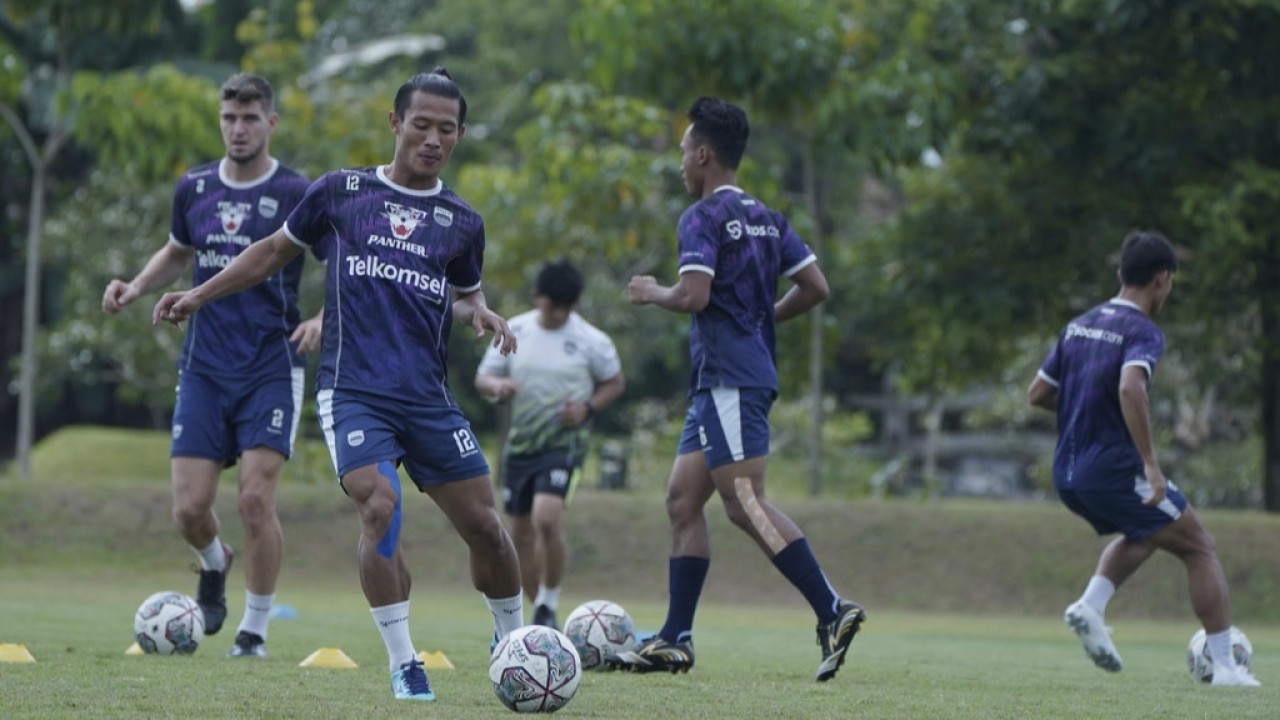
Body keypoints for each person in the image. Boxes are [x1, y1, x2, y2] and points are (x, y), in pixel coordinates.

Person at [152, 67, 524, 703]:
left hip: (427, 398)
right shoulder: (340, 193)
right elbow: (271, 252)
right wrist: (199, 294)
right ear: (395, 123)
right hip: (353, 391)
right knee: (378, 505)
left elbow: (463, 296)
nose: (432, 139)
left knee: (487, 528)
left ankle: (513, 644)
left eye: (446, 130)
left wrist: (480, 312)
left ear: (459, 135)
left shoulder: (463, 221)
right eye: (421, 124)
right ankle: (405, 662)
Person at [606, 96, 865, 682]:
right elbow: (816, 286)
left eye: (681, 153)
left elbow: (694, 296)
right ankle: (675, 638)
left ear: (703, 154)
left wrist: (651, 293)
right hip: (731, 378)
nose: (679, 164)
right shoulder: (769, 217)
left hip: (728, 377)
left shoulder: (700, 217)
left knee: (744, 501)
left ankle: (833, 608)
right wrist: (762, 319)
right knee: (681, 499)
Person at [102, 73, 323, 659]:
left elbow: (347, 259)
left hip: (271, 366)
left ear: (270, 122)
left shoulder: (298, 191)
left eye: (250, 118)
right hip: (204, 366)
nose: (239, 129)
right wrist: (138, 285)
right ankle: (213, 561)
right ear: (220, 120)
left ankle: (253, 632)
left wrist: (327, 317)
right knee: (190, 508)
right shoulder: (194, 186)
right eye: (229, 118)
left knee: (254, 501)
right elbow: (178, 252)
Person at [1027, 230, 1260, 687]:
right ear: (1163, 280)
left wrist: (1087, 411)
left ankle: (1091, 606)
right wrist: (1151, 464)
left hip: (1068, 474)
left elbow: (1039, 394)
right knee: (1198, 546)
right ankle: (1227, 668)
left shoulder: (1079, 325)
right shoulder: (1142, 331)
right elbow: (1131, 386)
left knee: (1151, 526)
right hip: (1113, 470)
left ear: (1120, 274)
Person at [474, 259, 626, 631]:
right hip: (521, 446)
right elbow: (484, 376)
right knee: (520, 532)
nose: (557, 314)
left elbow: (614, 382)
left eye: (564, 308)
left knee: (547, 517)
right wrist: (498, 387)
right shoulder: (517, 329)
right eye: (551, 305)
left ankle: (548, 602)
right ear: (537, 297)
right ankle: (536, 620)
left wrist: (588, 408)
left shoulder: (592, 340)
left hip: (564, 444)